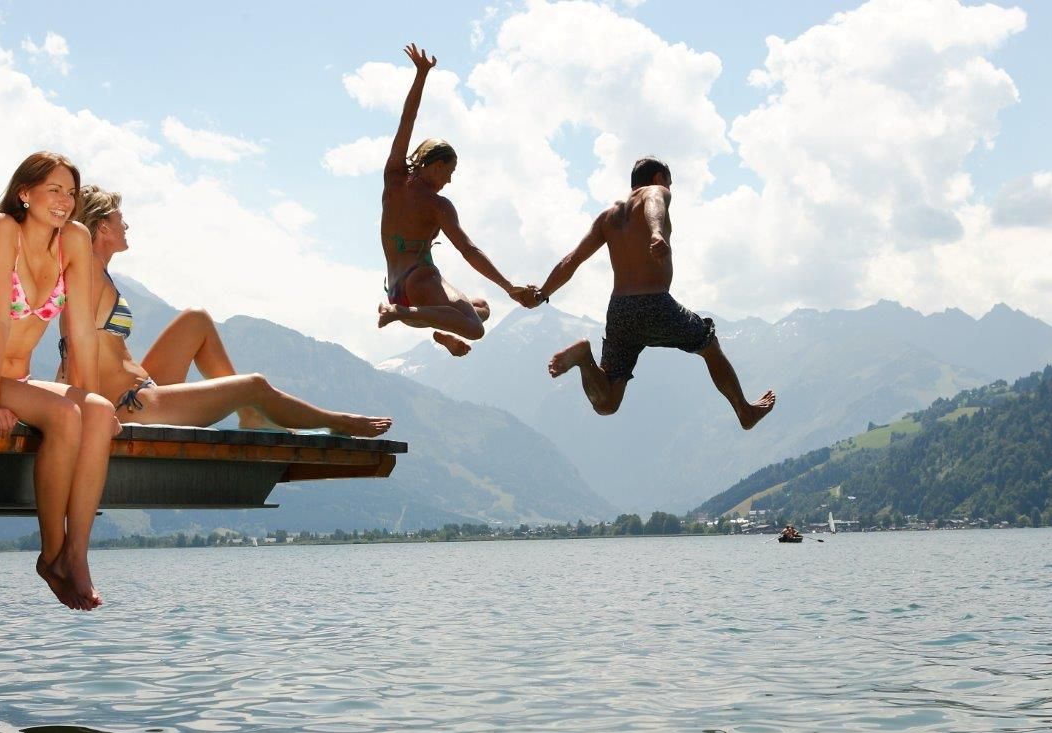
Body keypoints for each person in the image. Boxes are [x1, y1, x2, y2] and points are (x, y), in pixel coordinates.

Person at [0, 152, 118, 611]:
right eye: (53, 190)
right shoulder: (2, 231)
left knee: (97, 413)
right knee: (64, 415)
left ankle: (76, 555)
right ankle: (51, 556)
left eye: (70, 192)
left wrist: (93, 397)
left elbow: (81, 333)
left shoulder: (74, 240)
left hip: (16, 377)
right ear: (24, 193)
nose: (64, 201)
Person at [61, 185, 393, 437]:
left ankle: (250, 414)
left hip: (141, 391)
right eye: (120, 219)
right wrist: (83, 408)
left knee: (196, 319)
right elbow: (73, 345)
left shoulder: (99, 273)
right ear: (103, 228)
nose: (127, 225)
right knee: (254, 385)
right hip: (131, 406)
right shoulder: (87, 273)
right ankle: (337, 421)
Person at [536, 156, 775, 428]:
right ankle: (744, 411)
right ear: (659, 178)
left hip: (620, 311)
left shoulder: (606, 217)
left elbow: (572, 260)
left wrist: (542, 293)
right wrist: (656, 232)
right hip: (654, 303)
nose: (669, 189)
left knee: (607, 403)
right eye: (669, 183)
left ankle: (584, 359)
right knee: (709, 344)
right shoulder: (655, 191)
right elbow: (654, 202)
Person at [376, 43, 540, 357]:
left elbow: (406, 121)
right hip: (420, 281)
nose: (449, 180)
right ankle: (402, 314)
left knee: (481, 308)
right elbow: (468, 250)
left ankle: (434, 328)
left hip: (396, 288)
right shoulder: (439, 206)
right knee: (475, 327)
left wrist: (421, 75)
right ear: (435, 165)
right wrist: (509, 287)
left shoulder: (393, 177)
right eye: (449, 172)